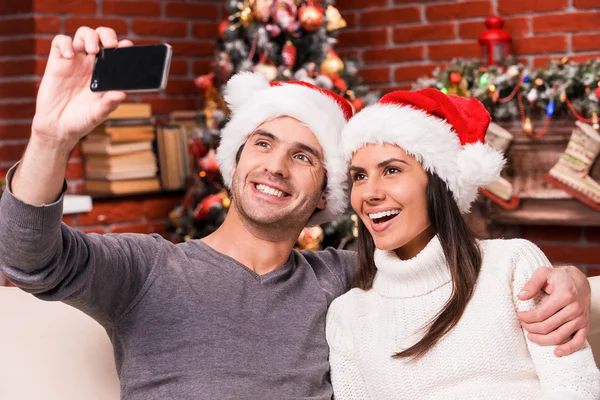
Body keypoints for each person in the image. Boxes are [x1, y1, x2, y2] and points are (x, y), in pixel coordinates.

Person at [0, 27, 596, 399]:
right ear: (233, 163)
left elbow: (445, 272)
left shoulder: (346, 282)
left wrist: (571, 283)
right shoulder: (147, 270)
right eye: (261, 143)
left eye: (304, 155)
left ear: (324, 197)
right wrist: (51, 137)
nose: (275, 167)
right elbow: (29, 258)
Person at [326, 89, 600, 399]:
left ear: (438, 182)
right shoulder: (347, 315)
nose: (369, 193)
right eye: (359, 176)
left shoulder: (512, 265)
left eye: (391, 170)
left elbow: (575, 387)